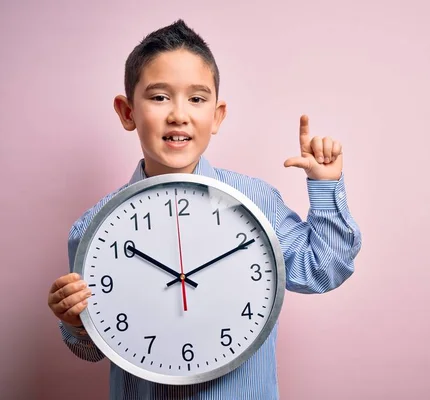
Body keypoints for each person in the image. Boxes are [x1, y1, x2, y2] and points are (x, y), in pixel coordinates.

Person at [47, 19, 362, 400]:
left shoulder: (256, 202)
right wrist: (76, 322)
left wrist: (325, 186)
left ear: (217, 115)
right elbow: (95, 348)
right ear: (127, 112)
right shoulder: (94, 229)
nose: (179, 114)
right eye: (159, 97)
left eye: (196, 99)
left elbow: (323, 267)